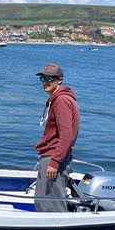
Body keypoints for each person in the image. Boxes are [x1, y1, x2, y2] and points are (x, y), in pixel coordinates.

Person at [34, 64, 80, 212]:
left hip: (54, 158)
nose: (45, 82)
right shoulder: (57, 99)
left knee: (51, 205)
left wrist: (54, 162)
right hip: (53, 157)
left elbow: (66, 135)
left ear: (59, 80)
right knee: (43, 202)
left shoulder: (61, 101)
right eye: (42, 78)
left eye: (49, 79)